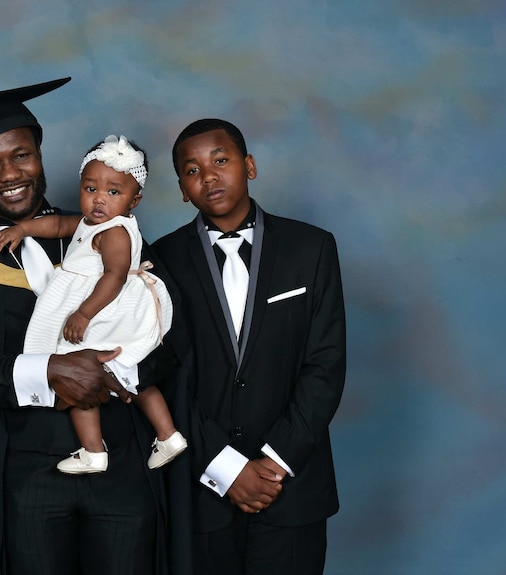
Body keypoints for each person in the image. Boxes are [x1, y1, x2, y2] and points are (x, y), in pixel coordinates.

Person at [0, 78, 184, 574]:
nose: (9, 174)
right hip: (21, 470)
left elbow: (167, 331)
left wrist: (121, 369)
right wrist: (50, 371)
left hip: (122, 464)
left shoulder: (104, 234)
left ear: (40, 154)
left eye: (21, 155)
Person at [151, 119, 346, 574]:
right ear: (182, 188)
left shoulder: (311, 248)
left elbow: (326, 364)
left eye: (221, 160)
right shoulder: (159, 259)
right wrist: (225, 467)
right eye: (193, 170)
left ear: (250, 165)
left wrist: (274, 463)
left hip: (292, 490)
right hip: (202, 493)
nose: (210, 176)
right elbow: (164, 375)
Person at [0, 134, 186, 475]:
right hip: (100, 303)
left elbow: (114, 276)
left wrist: (82, 314)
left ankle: (94, 451)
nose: (99, 200)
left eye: (114, 192)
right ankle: (167, 435)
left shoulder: (115, 232)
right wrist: (23, 228)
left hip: (104, 305)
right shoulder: (91, 223)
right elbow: (57, 225)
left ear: (134, 200)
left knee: (76, 368)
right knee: (129, 375)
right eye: (90, 188)